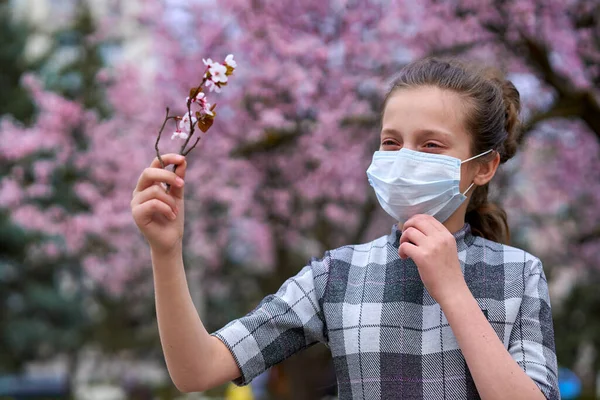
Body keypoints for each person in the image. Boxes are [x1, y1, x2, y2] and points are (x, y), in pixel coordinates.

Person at [131, 58, 559, 399]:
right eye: (391, 142)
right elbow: (196, 369)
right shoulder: (337, 274)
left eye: (431, 144)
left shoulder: (518, 275)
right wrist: (166, 252)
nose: (404, 157)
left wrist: (452, 289)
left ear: (483, 166)